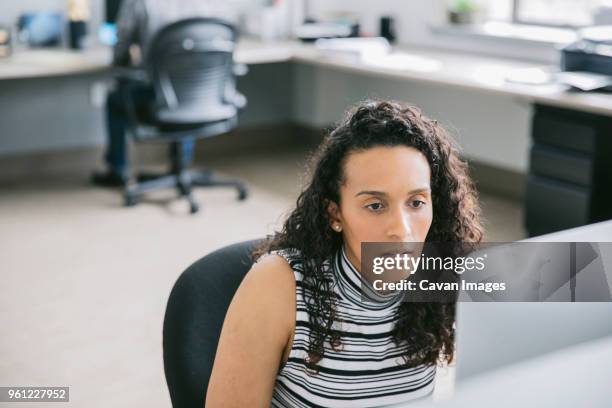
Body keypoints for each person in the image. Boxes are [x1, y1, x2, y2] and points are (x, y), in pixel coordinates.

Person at [205, 100, 484, 407]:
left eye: (416, 202)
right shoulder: (278, 286)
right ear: (335, 214)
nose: (402, 229)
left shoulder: (441, 272)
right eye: (375, 205)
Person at [91, 0, 237, 186]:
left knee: (116, 97)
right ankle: (181, 163)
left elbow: (122, 43)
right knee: (188, 89)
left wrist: (120, 62)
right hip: (208, 96)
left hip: (161, 99)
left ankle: (117, 170)